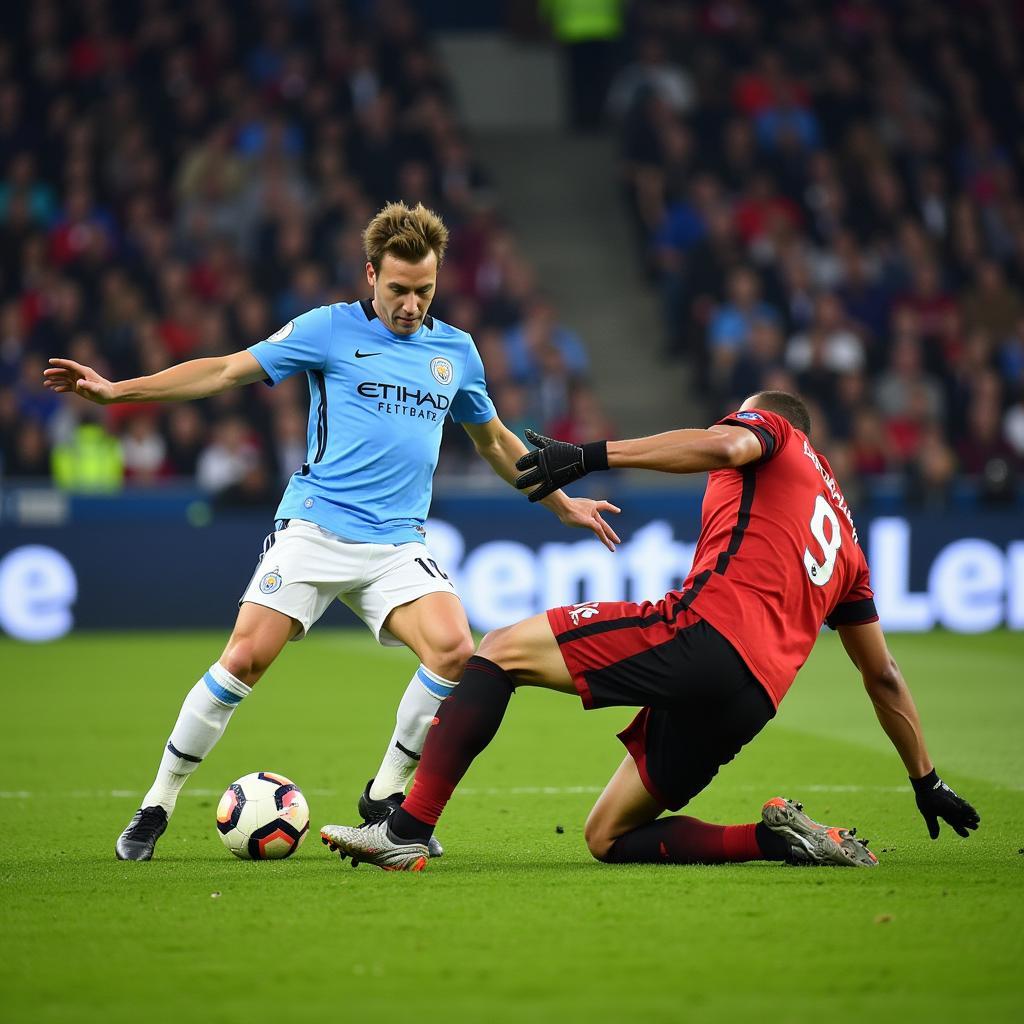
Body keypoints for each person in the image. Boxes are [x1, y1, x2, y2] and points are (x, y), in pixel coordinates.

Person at [43, 202, 620, 861]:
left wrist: (562, 503)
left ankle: (383, 795)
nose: (409, 304)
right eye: (397, 289)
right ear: (370, 274)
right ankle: (158, 802)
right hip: (315, 530)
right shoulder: (327, 330)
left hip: (399, 543)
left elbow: (492, 440)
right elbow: (226, 369)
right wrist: (120, 393)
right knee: (244, 659)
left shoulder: (454, 352)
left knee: (456, 650)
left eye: (423, 290)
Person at [320, 390, 979, 871]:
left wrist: (589, 455)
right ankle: (777, 839)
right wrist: (926, 780)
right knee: (607, 837)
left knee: (498, 651)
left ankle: (406, 828)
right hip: (751, 701)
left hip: (703, 636)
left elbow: (724, 443)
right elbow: (882, 675)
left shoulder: (777, 431)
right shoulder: (850, 550)